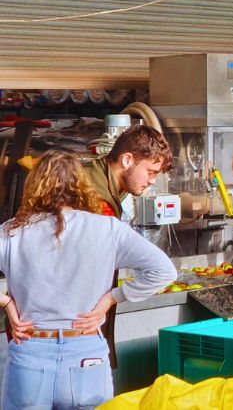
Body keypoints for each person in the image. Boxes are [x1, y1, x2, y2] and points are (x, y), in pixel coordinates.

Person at [0, 151, 176, 409]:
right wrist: (112, 298)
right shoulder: (108, 229)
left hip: (30, 352)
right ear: (80, 185)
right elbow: (164, 270)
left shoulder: (12, 231)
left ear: (34, 186)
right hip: (86, 353)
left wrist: (6, 302)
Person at [81, 124, 174, 367]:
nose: (152, 181)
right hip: (79, 325)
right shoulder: (96, 201)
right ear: (127, 159)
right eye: (150, 172)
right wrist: (113, 298)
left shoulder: (99, 177)